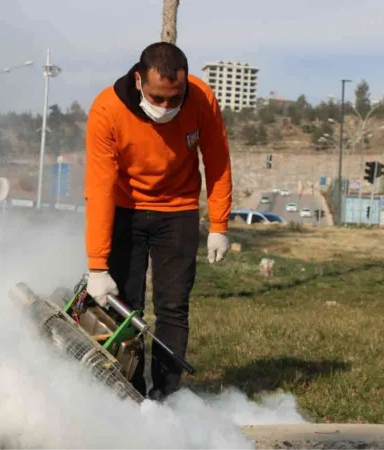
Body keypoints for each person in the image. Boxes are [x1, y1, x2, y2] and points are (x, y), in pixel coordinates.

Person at [83, 42, 233, 401]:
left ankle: (165, 397)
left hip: (178, 210)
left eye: (174, 98)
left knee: (173, 306)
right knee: (124, 304)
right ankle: (127, 394)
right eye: (158, 97)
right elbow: (100, 188)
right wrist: (97, 265)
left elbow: (218, 161)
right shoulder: (107, 110)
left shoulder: (201, 99)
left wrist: (219, 225)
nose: (166, 107)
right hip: (125, 208)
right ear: (138, 80)